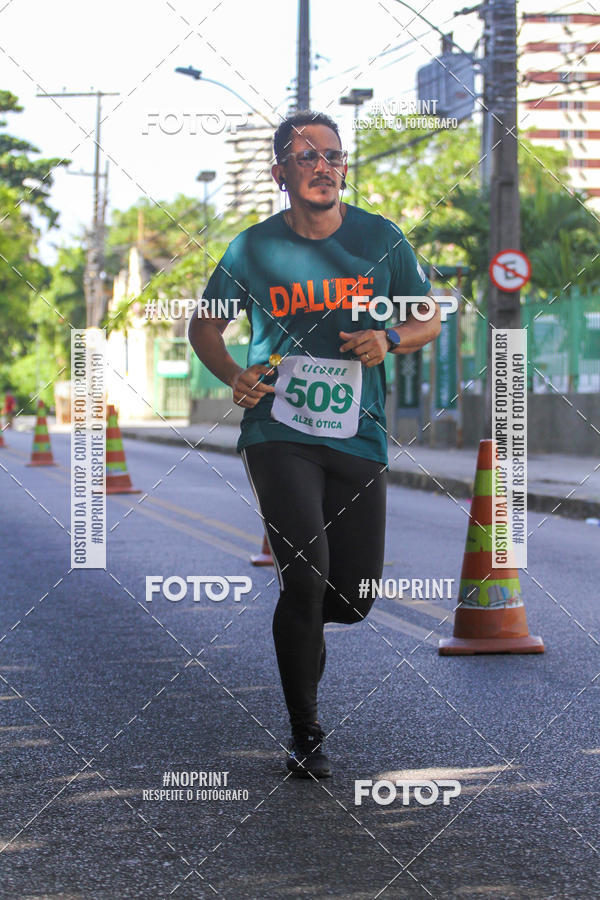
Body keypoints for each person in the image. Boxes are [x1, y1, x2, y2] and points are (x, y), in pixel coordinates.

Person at [188, 110, 441, 779]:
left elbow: (428, 316)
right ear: (281, 174)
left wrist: (389, 340)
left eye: (333, 155)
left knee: (352, 597)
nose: (324, 166)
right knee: (302, 577)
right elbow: (205, 327)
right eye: (307, 157)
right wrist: (235, 376)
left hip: (357, 434)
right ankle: (306, 733)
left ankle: (307, 630)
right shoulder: (252, 249)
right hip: (279, 430)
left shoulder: (380, 240)